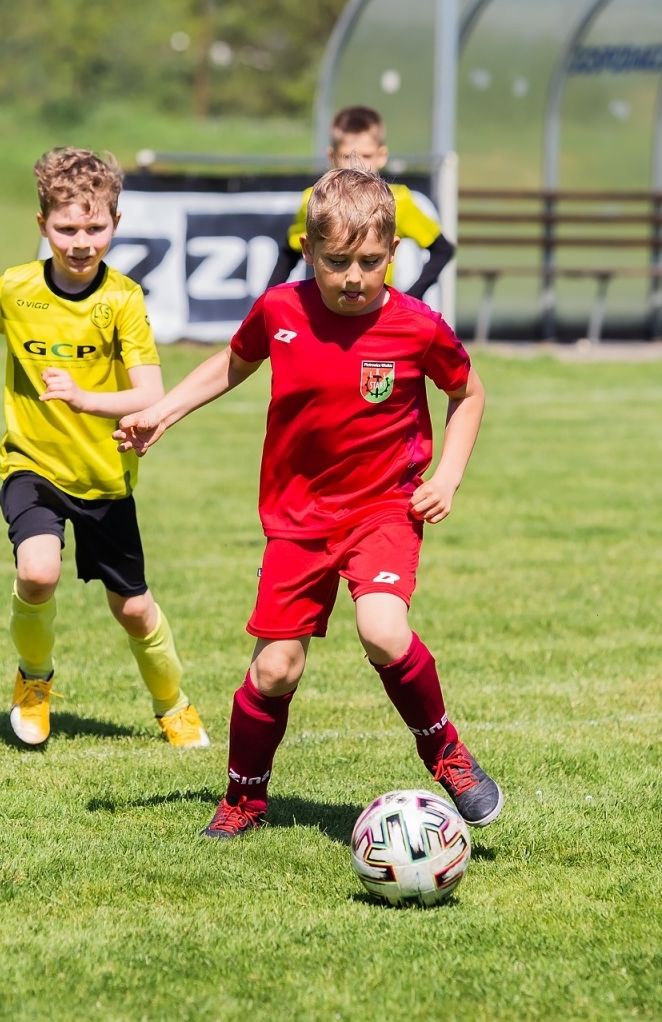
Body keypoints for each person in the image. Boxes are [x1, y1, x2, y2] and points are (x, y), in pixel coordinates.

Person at [114, 166, 500, 839]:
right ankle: (243, 800)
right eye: (337, 262)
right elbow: (234, 361)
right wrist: (164, 412)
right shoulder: (281, 311)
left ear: (394, 255)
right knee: (274, 669)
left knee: (382, 630)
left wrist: (448, 474)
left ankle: (447, 756)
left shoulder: (416, 327)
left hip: (384, 507)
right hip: (297, 520)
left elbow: (468, 393)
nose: (354, 276)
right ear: (309, 252)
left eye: (371, 262)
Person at [0, 147, 209, 750]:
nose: (81, 241)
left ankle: (173, 706)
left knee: (136, 612)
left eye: (96, 228)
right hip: (31, 465)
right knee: (37, 572)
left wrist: (85, 399)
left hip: (103, 477)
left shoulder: (122, 300)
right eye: (66, 228)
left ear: (116, 224)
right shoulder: (14, 290)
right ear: (42, 225)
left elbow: (151, 392)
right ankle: (34, 684)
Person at [264, 105, 455, 299]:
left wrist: (410, 298)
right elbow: (289, 253)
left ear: (382, 156)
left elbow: (442, 249)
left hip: (377, 317)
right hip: (327, 313)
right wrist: (267, 302)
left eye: (366, 155)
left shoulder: (399, 201)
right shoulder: (314, 199)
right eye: (347, 156)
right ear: (331, 156)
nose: (357, 164)